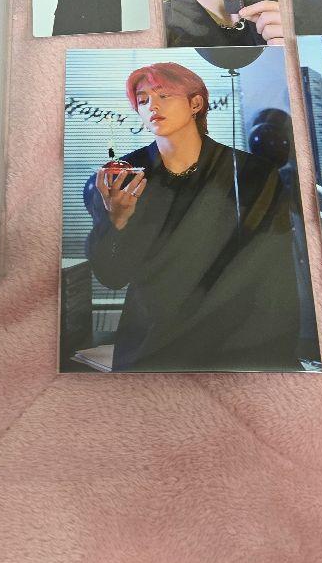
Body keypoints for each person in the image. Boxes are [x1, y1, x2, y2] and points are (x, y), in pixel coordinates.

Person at [85, 62, 302, 371]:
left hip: (241, 347)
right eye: (143, 100)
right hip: (154, 348)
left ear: (195, 103)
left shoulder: (252, 174)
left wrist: (276, 353)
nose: (152, 106)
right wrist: (116, 221)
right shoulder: (122, 180)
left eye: (164, 95)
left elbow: (274, 276)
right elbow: (112, 276)